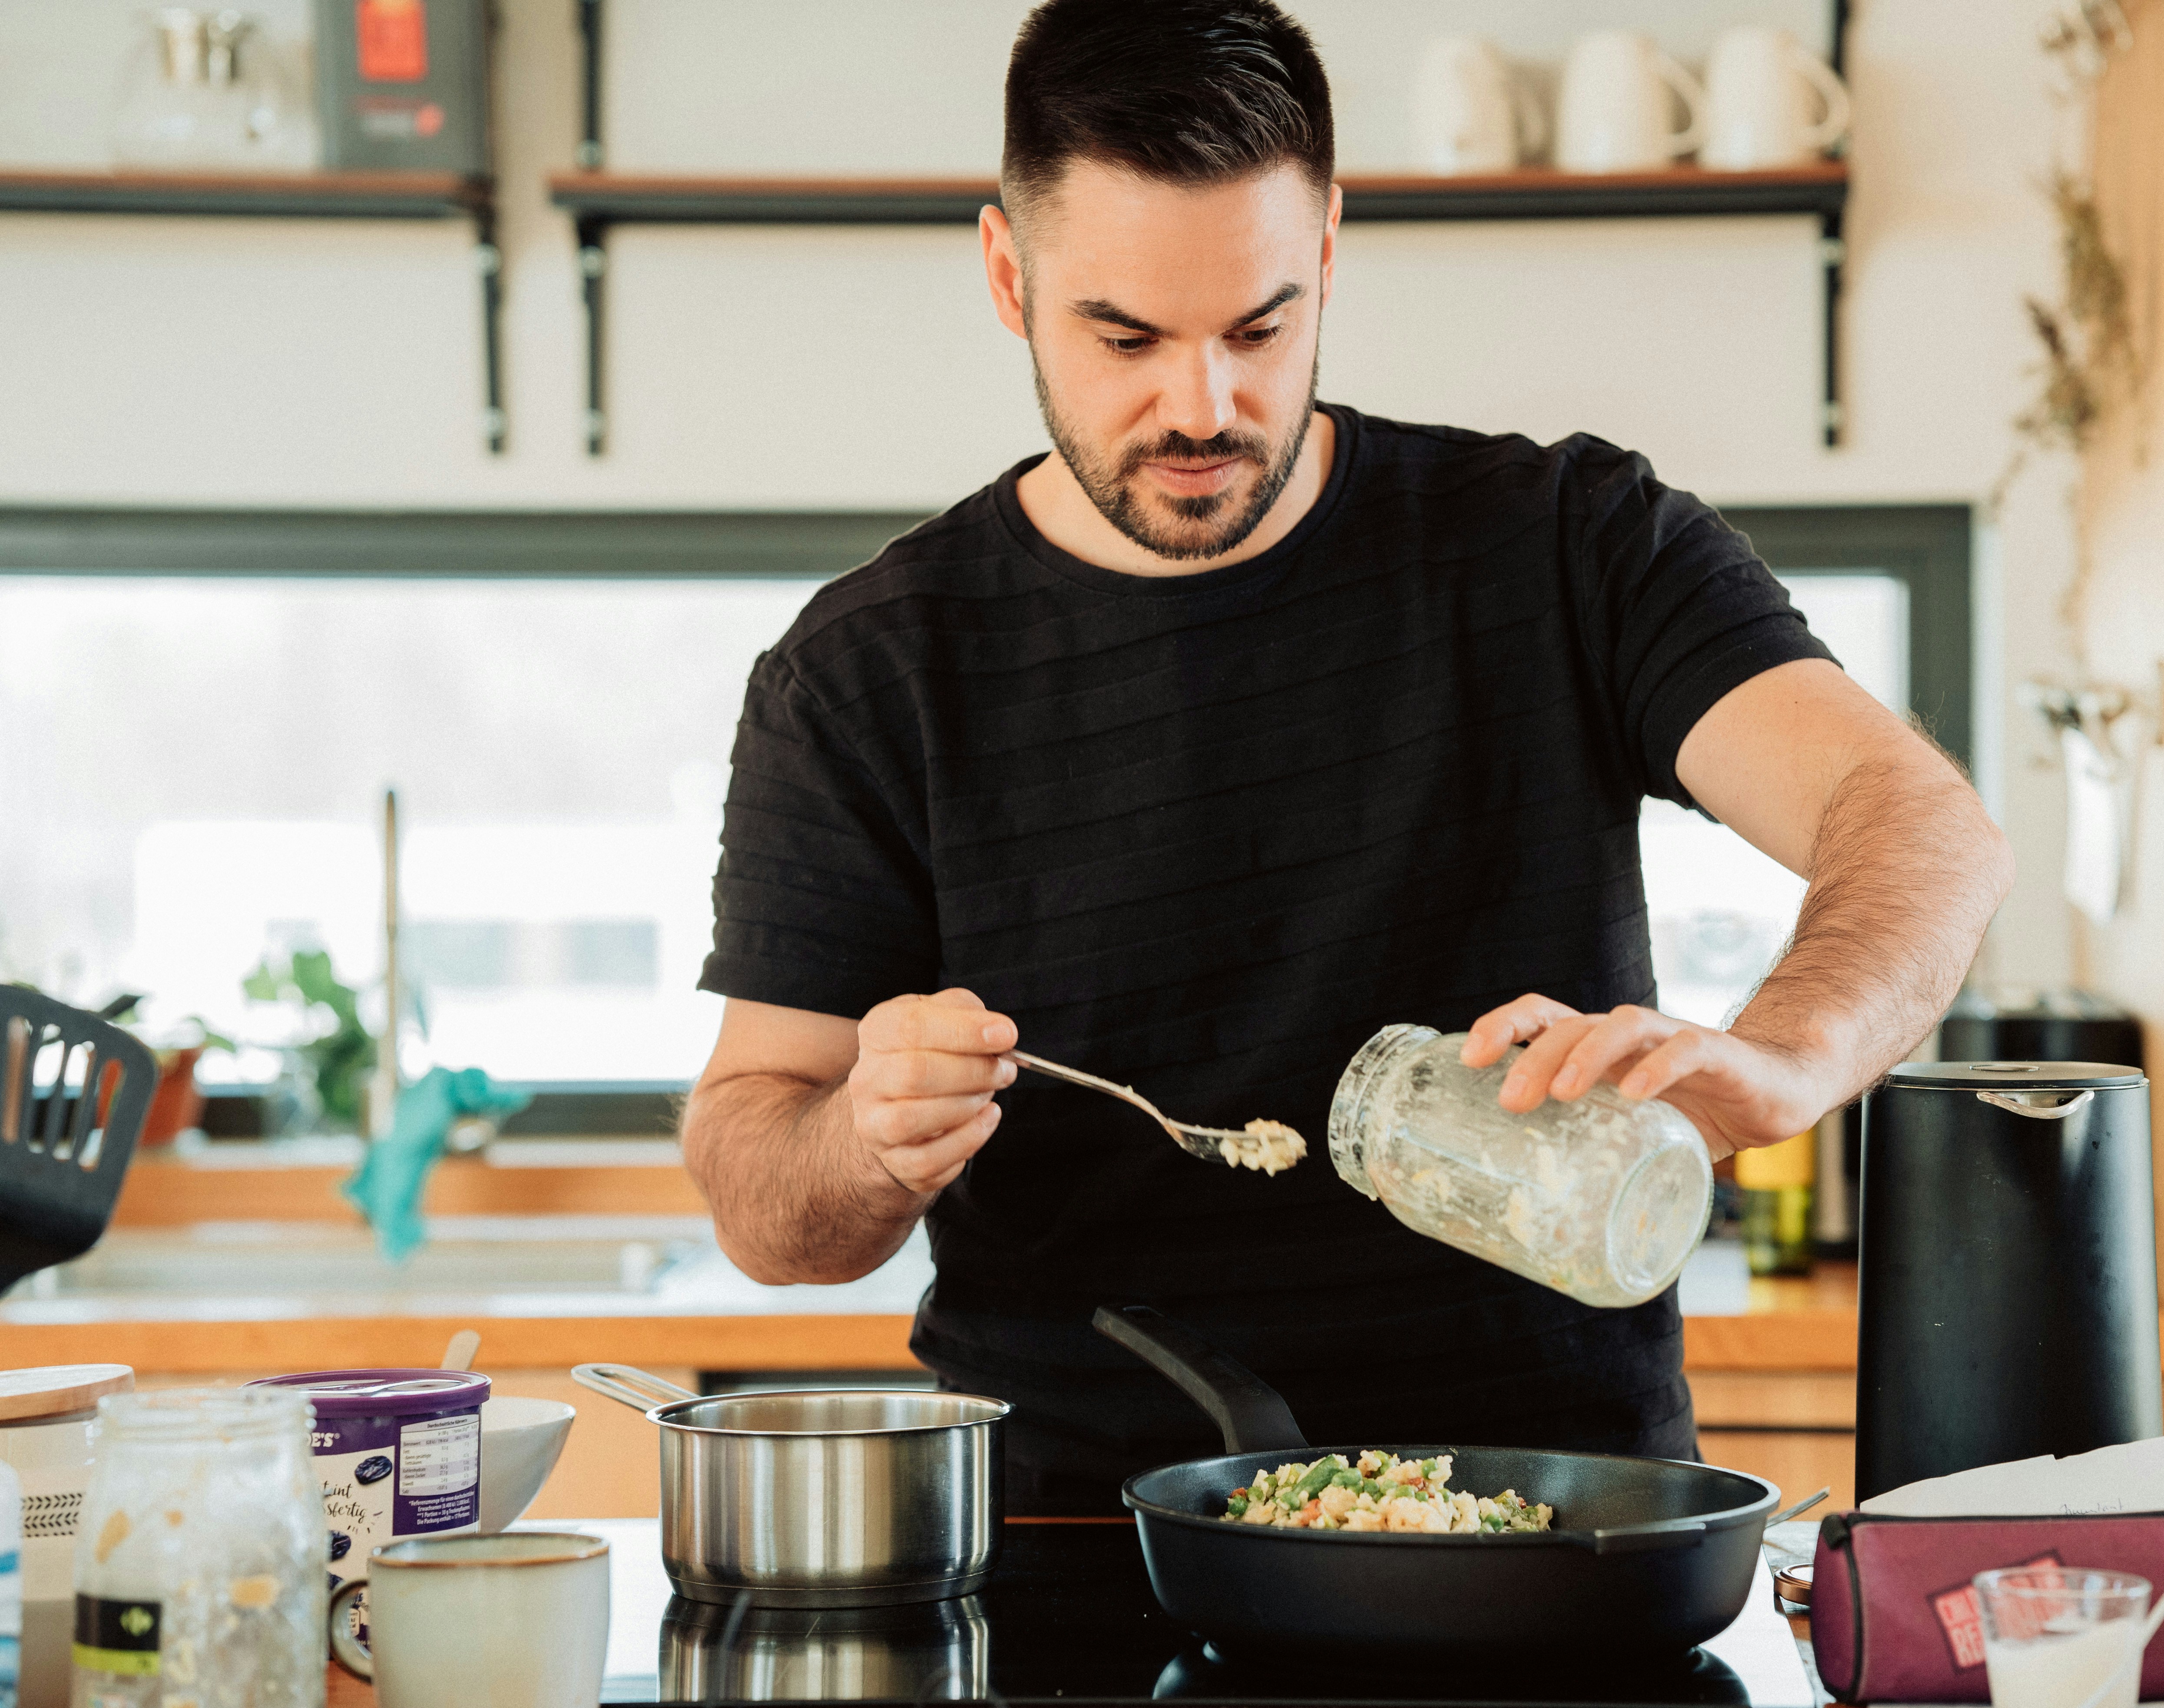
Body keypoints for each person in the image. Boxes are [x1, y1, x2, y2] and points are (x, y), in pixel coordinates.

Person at [682, 0, 2011, 1514]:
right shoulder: (866, 675)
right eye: (1124, 336)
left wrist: (1786, 1057)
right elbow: (766, 1196)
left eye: (1258, 329)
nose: (1202, 407)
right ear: (1007, 273)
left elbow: (1918, 821)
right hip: (1089, 1555)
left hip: (1553, 1532)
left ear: (1326, 251)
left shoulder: (1566, 546)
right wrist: (862, 1137)